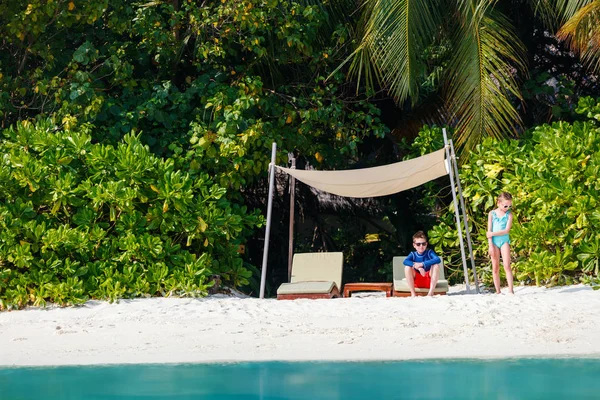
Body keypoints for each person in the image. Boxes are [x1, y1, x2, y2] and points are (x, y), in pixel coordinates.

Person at [486, 192, 515, 294]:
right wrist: (490, 245)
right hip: (494, 242)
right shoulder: (491, 214)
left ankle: (511, 290)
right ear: (498, 203)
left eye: (509, 206)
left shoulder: (509, 215)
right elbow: (488, 229)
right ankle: (498, 291)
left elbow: (506, 230)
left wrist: (492, 233)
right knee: (495, 267)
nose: (507, 208)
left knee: (507, 265)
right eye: (505, 206)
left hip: (504, 241)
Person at [403, 231, 442, 297]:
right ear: (414, 245)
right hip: (416, 281)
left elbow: (438, 259)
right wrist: (417, 266)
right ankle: (413, 294)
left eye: (423, 244)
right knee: (407, 267)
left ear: (426, 244)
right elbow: (405, 261)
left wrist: (422, 264)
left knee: (436, 265)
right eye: (418, 244)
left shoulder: (429, 252)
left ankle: (430, 293)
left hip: (429, 281)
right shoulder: (413, 254)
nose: (421, 246)